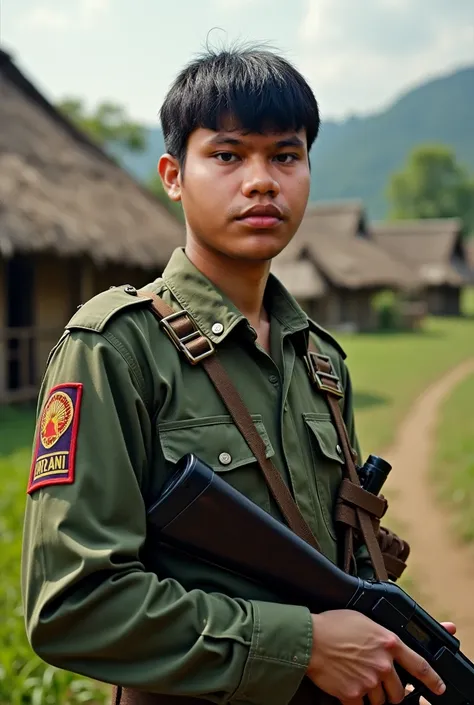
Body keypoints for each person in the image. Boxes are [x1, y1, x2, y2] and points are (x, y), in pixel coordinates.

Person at [22, 45, 454, 705]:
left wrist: (390, 644)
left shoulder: (321, 361)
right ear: (173, 175)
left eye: (286, 155)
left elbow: (342, 565)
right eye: (227, 155)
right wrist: (303, 643)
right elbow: (72, 606)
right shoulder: (116, 348)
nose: (261, 181)